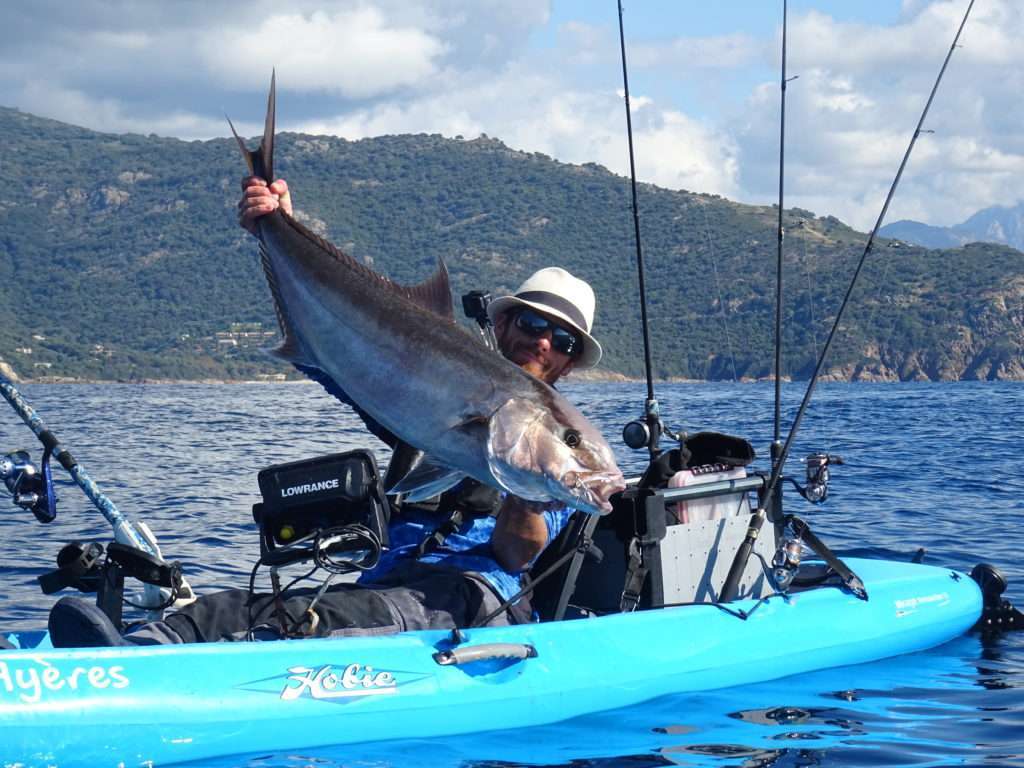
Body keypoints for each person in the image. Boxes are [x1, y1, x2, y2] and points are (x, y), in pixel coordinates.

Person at [46, 175, 610, 647]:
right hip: (384, 584)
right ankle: (138, 654)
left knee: (299, 620)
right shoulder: (435, 377)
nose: (543, 343)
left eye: (562, 341)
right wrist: (279, 230)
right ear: (506, 323)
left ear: (570, 364)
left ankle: (135, 666)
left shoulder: (567, 444)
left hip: (470, 601)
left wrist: (529, 483)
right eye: (534, 325)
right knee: (241, 607)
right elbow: (331, 358)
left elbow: (516, 553)